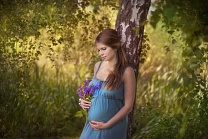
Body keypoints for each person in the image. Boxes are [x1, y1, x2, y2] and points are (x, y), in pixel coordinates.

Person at [79, 28, 136, 139]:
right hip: (91, 126)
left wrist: (106, 125)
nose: (101, 53)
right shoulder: (98, 66)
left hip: (111, 128)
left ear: (115, 47)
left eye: (104, 49)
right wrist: (82, 101)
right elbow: (93, 93)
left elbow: (128, 107)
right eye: (98, 50)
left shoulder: (126, 72)